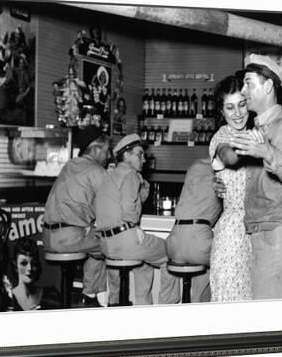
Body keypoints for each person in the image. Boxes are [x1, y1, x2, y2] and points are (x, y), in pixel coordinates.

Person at [221, 54, 282, 300]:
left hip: (277, 237)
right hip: (265, 235)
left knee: (268, 326)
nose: (242, 90)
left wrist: (268, 152)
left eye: (248, 83)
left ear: (268, 86)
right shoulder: (260, 128)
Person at [94, 134, 168, 306]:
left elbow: (125, 204)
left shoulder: (109, 176)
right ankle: (163, 308)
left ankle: (115, 304)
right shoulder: (130, 174)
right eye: (139, 154)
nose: (144, 159)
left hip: (106, 245)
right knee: (170, 255)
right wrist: (134, 226)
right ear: (126, 156)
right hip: (126, 241)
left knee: (143, 266)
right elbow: (129, 213)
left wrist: (143, 190)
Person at [208, 75, 263, 302]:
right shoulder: (220, 137)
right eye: (230, 108)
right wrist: (254, 146)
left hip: (257, 231)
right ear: (222, 111)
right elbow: (228, 156)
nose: (238, 113)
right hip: (232, 235)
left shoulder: (257, 131)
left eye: (242, 104)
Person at [42, 125, 111, 307]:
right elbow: (113, 205)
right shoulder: (97, 171)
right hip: (68, 238)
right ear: (95, 150)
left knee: (96, 239)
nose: (109, 156)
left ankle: (91, 293)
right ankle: (93, 297)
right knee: (110, 242)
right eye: (106, 151)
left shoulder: (70, 165)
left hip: (48, 237)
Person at [159, 158, 223, 303]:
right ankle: (199, 309)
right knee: (225, 262)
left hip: (174, 241)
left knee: (202, 261)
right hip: (198, 240)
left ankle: (167, 308)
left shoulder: (195, 166)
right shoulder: (222, 170)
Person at [0, 237, 54, 311]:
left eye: (33, 263)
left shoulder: (51, 295)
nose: (29, 268)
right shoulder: (7, 299)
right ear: (15, 266)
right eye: (24, 263)